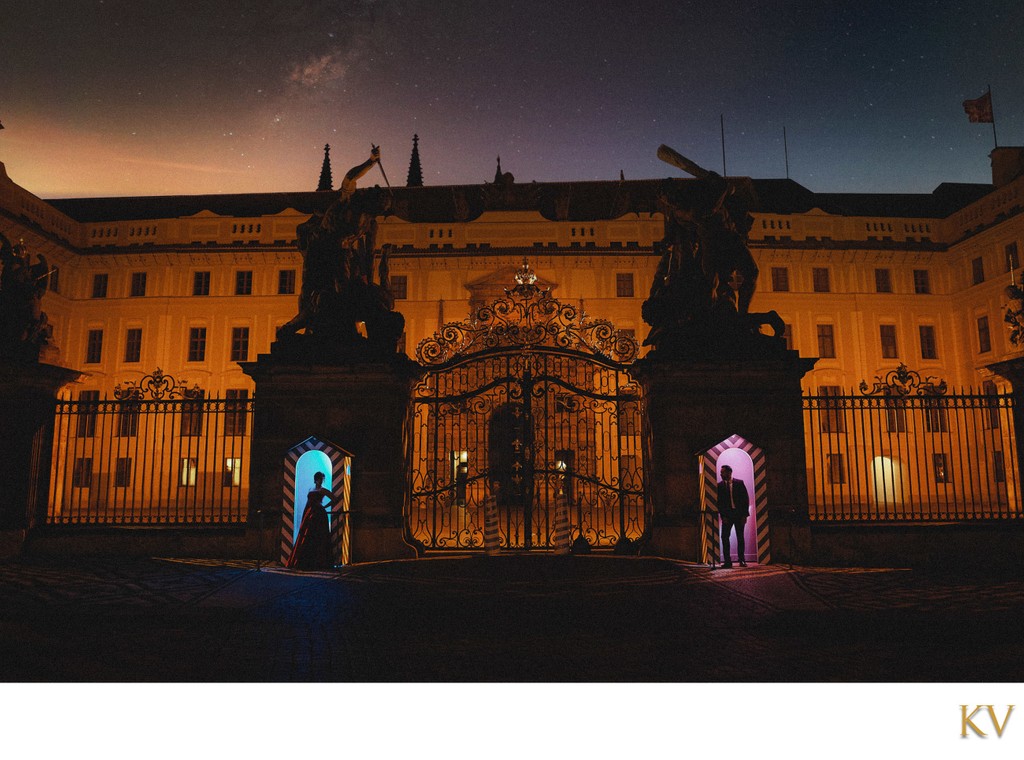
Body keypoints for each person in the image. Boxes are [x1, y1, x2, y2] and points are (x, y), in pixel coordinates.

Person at [286, 471, 336, 570]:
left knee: (318, 537)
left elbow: (334, 499)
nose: (321, 481)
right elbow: (308, 503)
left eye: (322, 479)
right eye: (319, 479)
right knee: (308, 536)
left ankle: (317, 563)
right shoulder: (311, 489)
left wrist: (323, 507)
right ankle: (307, 562)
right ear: (316, 479)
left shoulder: (323, 490)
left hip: (319, 515)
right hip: (310, 514)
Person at [716, 465, 750, 568]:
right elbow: (719, 503)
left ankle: (742, 560)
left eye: (723, 472)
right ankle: (727, 562)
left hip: (739, 514)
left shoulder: (739, 483)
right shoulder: (720, 486)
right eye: (721, 472)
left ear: (729, 472)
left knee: (740, 537)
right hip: (727, 515)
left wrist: (744, 515)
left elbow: (745, 499)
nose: (721, 474)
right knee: (725, 537)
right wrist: (723, 516)